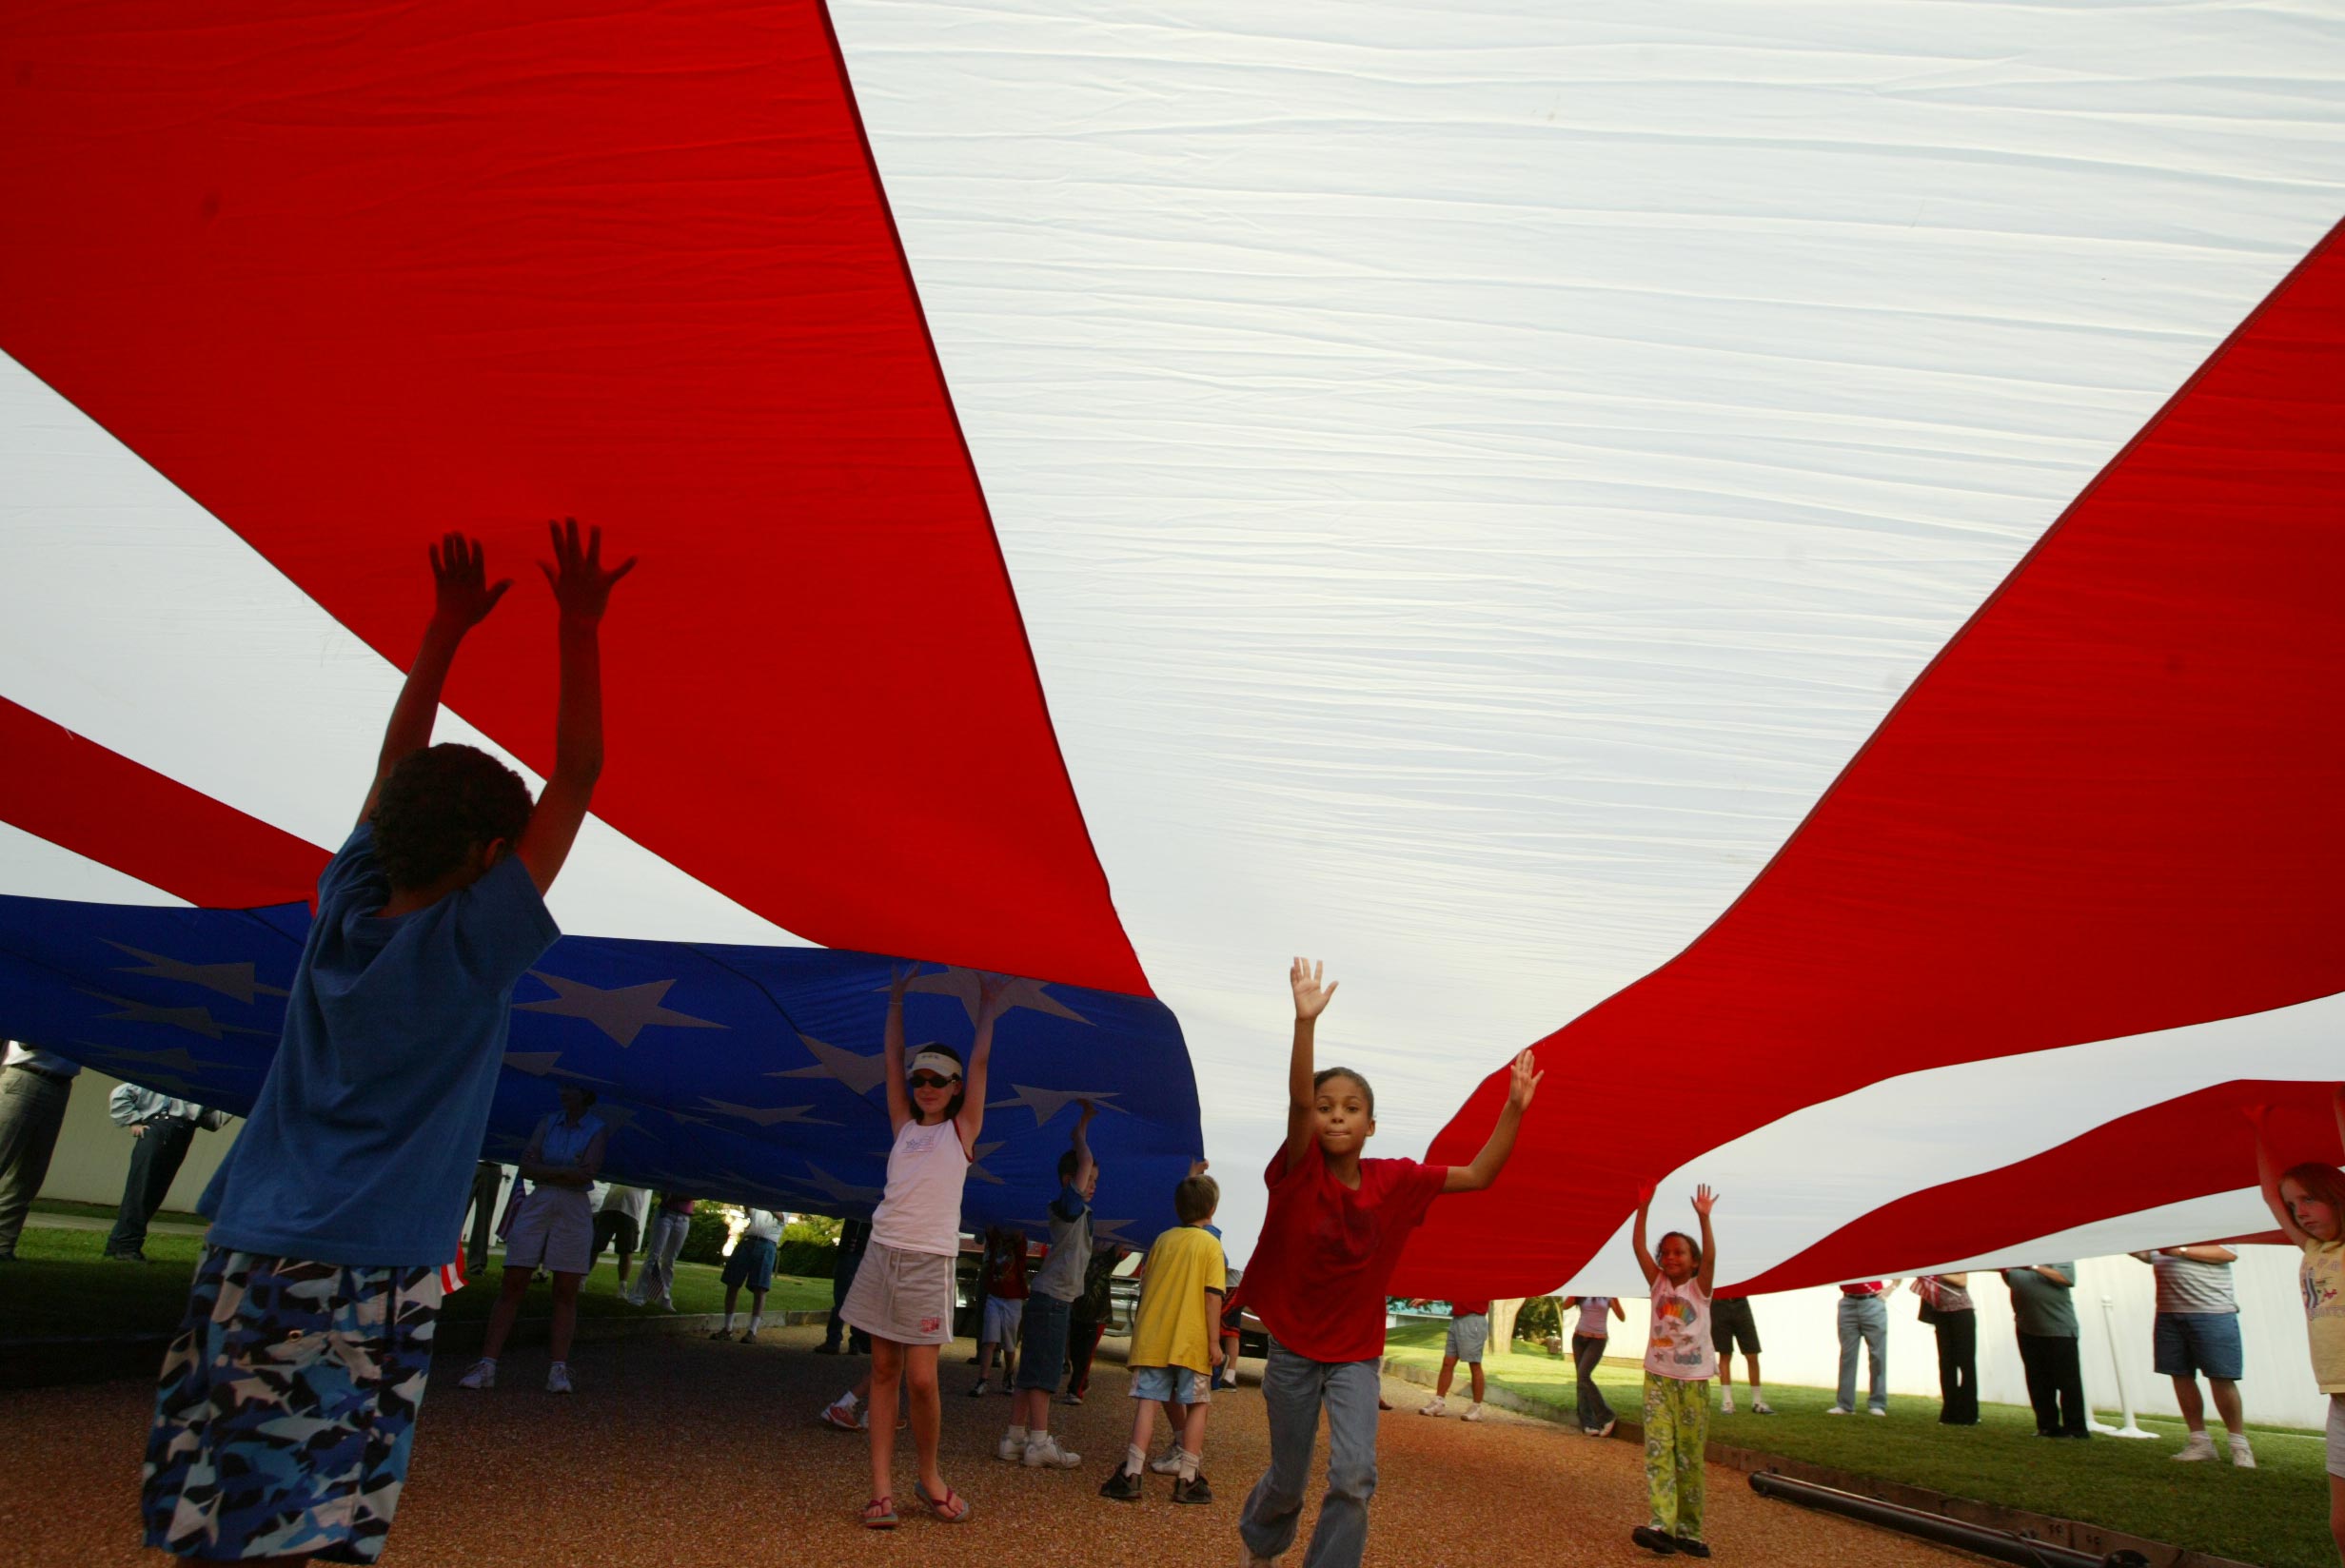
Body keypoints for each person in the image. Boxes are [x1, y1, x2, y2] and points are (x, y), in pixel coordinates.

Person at [140, 522, 626, 1565]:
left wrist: (444, 630)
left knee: (230, 1483)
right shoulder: (468, 947)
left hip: (247, 1244)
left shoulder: (343, 909)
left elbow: (398, 765)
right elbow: (577, 776)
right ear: (493, 857)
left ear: (391, 832)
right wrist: (577, 625)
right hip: (365, 1267)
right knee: (313, 1505)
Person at [1236, 958, 1542, 1568]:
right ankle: (1261, 1547)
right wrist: (1305, 1024)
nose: (1336, 1116)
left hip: (1354, 1352)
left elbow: (1479, 1175)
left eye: (1350, 1108)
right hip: (1295, 1348)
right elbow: (1296, 1105)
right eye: (1327, 1106)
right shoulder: (1300, 1173)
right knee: (1290, 1478)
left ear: (1370, 1125)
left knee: (1353, 1476)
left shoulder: (1396, 1181)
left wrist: (1514, 1108)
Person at [839, 961, 1010, 1529]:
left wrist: (987, 1006)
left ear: (956, 1089)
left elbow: (981, 1060)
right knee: (883, 1372)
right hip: (883, 1252)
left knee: (920, 1379)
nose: (927, 1088)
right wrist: (895, 1002)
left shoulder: (962, 1131)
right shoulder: (902, 1124)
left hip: (928, 1260)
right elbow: (889, 1062)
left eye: (939, 1080)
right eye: (921, 1080)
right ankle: (881, 1490)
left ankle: (930, 1475)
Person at [459, 1084, 610, 1392]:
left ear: (584, 1095)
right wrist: (560, 1172)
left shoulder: (598, 1128)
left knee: (566, 1289)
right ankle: (487, 1365)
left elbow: (587, 1173)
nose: (562, 1093)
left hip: (572, 1208)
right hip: (539, 1202)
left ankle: (558, 1370)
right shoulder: (547, 1122)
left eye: (571, 1090)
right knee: (513, 1280)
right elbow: (527, 1168)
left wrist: (546, 1170)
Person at [2252, 1095, 2345, 1562]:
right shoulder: (2313, 1251)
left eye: (2310, 1199)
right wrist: (2258, 1130)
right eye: (2295, 1206)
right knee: (2342, 1522)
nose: (2300, 1211)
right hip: (2341, 1401)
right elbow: (2271, 1194)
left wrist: (2338, 1110)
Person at [1099, 1171, 1227, 1504]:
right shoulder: (1211, 1246)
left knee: (1148, 1402)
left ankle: (1132, 1472)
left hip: (1154, 1338)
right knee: (1198, 1403)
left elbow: (1147, 1287)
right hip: (1192, 1341)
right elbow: (1212, 1296)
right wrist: (1215, 1343)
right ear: (1212, 1208)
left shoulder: (1162, 1240)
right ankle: (1188, 1476)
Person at [1004, 1100, 1096, 1468]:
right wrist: (1081, 1130)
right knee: (1044, 1373)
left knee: (1030, 1370)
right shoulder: (1067, 1208)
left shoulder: (1074, 1211)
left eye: (1094, 1181)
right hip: (1054, 1300)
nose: (1091, 1185)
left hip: (1049, 1297)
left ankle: (1014, 1438)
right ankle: (1039, 1442)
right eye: (1087, 1180)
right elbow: (1084, 1162)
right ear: (1069, 1181)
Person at [1630, 1185, 1720, 1558]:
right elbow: (1638, 1247)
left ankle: (1690, 1530)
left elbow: (1712, 1256)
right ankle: (1661, 1525)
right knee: (1657, 1450)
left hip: (1694, 1383)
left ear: (1694, 1261)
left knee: (1689, 1457)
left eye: (1679, 1252)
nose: (1670, 1258)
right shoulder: (1658, 1284)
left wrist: (1704, 1219)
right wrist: (1642, 1208)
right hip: (1658, 1379)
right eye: (1664, 1253)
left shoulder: (1701, 1289)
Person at [2130, 1244, 2253, 1466]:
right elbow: (2151, 1256)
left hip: (2213, 1312)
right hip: (2169, 1311)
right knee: (2180, 1375)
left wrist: (2180, 1251)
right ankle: (2200, 1442)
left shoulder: (2206, 1218)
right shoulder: (2158, 1226)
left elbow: (2228, 1252)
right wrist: (2132, 1248)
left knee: (2221, 1377)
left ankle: (2239, 1446)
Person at [101, 1085, 228, 1263]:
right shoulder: (164, 1080)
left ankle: (120, 1244)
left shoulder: (197, 1088)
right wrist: (133, 1121)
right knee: (142, 1191)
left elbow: (211, 1122)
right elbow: (120, 1093)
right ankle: (126, 1246)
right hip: (161, 1129)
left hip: (182, 1131)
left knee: (153, 1192)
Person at [0, 1042, 80, 1262]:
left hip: (60, 1084)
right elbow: (27, 1041)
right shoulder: (47, 1008)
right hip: (25, 1078)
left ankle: (3, 1245)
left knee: (28, 1174)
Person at [2003, 1263, 2087, 1439]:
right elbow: (2013, 1282)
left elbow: (2067, 1279)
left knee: (2067, 1382)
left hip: (2059, 1329)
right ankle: (2047, 1426)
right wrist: (2004, 1271)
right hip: (2027, 1327)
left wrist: (2033, 1266)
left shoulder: (2054, 1252)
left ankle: (2075, 1429)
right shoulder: (2014, 1256)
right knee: (2038, 1381)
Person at [1063, 1242, 1130, 1404]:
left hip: (1098, 1315)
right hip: (1079, 1311)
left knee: (1086, 1353)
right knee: (1074, 1352)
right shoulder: (1080, 1257)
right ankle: (1082, 1382)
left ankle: (1075, 1390)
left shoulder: (1108, 1259)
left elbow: (1120, 1247)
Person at [1911, 1273, 1978, 1424]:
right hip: (1940, 1314)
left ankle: (1969, 1413)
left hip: (1961, 1312)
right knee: (1946, 1364)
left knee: (1965, 1363)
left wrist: (1938, 1274)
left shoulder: (1954, 1263)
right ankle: (1950, 1412)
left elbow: (1961, 1281)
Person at [970, 1223, 1028, 1396]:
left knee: (1009, 1343)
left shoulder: (1020, 1243)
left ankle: (1009, 1374)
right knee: (989, 1339)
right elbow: (988, 1225)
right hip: (995, 1296)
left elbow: (1018, 1232)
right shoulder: (996, 1240)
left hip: (1013, 1299)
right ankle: (983, 1379)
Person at [712, 1207, 783, 1343]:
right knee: (732, 1283)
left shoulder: (785, 1202)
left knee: (760, 1288)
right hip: (749, 1240)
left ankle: (752, 1331)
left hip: (767, 1243)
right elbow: (749, 1211)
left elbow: (781, 1216)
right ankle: (727, 1328)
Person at [1827, 1278, 1896, 1417]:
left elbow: (1900, 1267)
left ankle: (1877, 1404)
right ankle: (1845, 1405)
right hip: (1848, 1303)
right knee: (1847, 1355)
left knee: (1877, 1355)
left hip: (1873, 1302)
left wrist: (1892, 1287)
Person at [1416, 1297, 1491, 1421]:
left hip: (1474, 1320)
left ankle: (1476, 1408)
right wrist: (1428, 1298)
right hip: (1457, 1319)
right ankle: (1438, 1403)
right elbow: (1450, 1288)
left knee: (1474, 1364)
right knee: (1447, 1363)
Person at [1562, 1294, 1626, 1436]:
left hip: (1597, 1340)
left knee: (1583, 1376)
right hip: (1579, 1338)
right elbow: (1565, 1306)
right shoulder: (1583, 1292)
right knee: (1581, 1380)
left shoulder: (1608, 1295)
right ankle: (1588, 1424)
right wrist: (1575, 1294)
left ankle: (1607, 1416)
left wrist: (1615, 1299)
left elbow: (1622, 1317)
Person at [626, 1191, 696, 1310]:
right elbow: (664, 1193)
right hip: (666, 1214)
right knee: (653, 1256)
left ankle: (664, 1296)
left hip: (684, 1217)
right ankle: (638, 1295)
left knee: (670, 1260)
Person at [818, 1217, 874, 1355]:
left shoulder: (857, 1213)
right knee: (857, 1300)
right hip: (864, 1254)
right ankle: (855, 1341)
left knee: (842, 1299)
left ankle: (834, 1340)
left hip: (852, 1252)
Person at [1710, 1291, 1768, 1415]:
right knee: (1725, 1354)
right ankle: (1727, 1403)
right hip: (1719, 1303)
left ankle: (1757, 1402)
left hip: (1741, 1302)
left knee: (1752, 1354)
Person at [592, 1183, 649, 1292]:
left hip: (631, 1210)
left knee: (626, 1251)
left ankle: (622, 1287)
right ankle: (582, 1280)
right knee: (595, 1246)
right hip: (609, 1206)